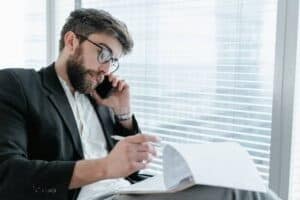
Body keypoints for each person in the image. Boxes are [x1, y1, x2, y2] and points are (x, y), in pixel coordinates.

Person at [0, 8, 280, 200]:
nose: (107, 69)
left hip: (128, 190)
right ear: (72, 41)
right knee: (244, 194)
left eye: (113, 60)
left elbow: (129, 169)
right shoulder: (19, 85)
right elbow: (9, 176)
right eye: (104, 53)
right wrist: (105, 166)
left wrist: (123, 114)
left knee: (250, 188)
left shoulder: (98, 96)